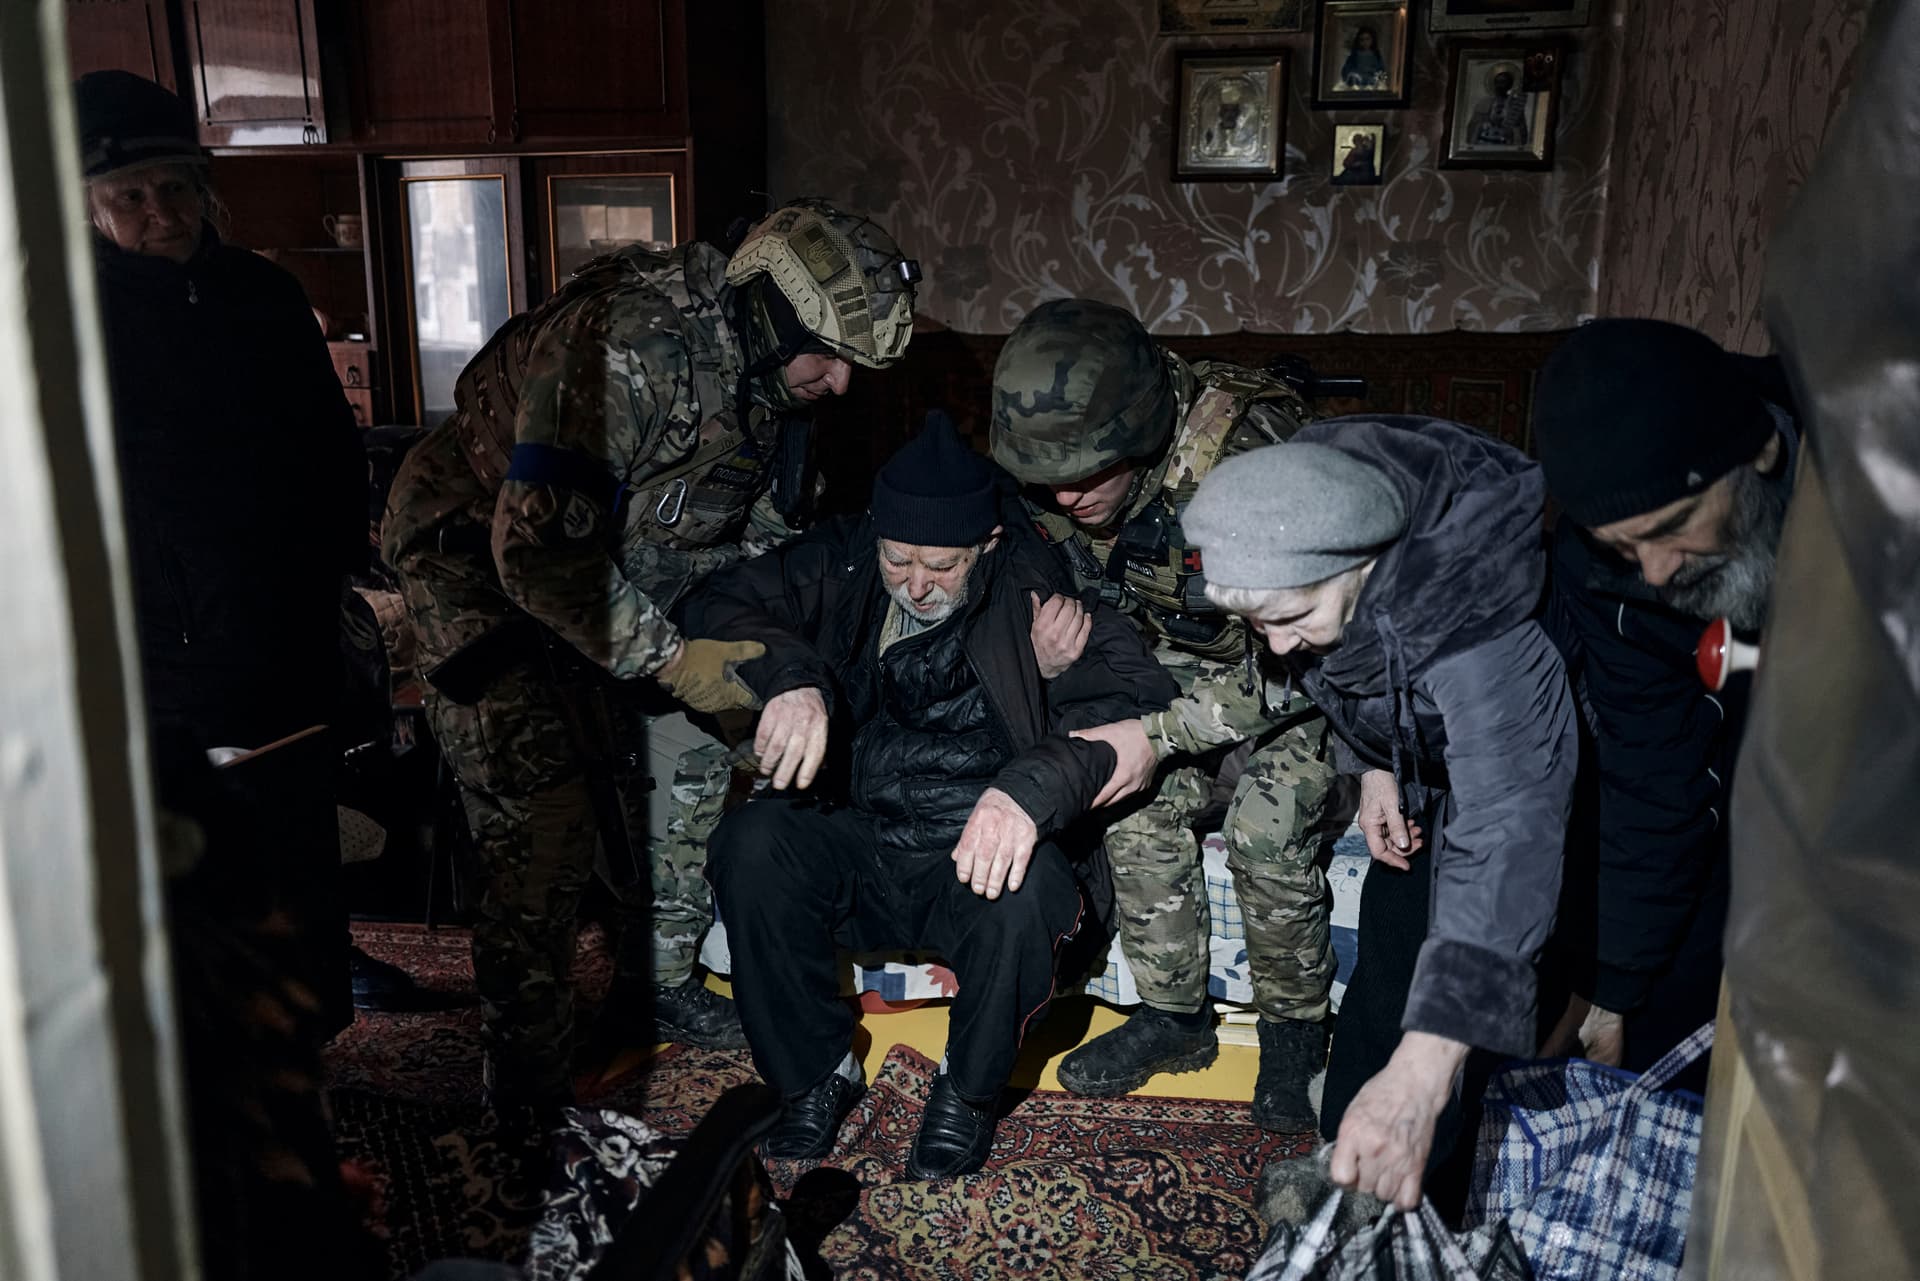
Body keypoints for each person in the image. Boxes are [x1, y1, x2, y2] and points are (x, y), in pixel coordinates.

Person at [381, 199, 919, 1107]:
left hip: (638, 572)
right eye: (828, 356)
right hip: (480, 566)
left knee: (699, 755)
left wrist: (772, 666)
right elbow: (542, 555)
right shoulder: (628, 345)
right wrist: (673, 660)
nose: (841, 383)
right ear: (773, 314)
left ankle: (657, 984)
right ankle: (526, 1078)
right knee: (543, 815)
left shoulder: (777, 385)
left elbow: (763, 548)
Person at [684, 417, 1178, 1179]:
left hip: (972, 857)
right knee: (752, 844)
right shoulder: (844, 558)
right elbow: (711, 601)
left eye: (941, 565)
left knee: (1034, 888)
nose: (916, 583)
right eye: (899, 558)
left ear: (983, 545)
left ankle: (969, 1092)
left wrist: (1028, 781)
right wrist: (790, 677)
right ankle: (817, 1073)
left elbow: (1142, 701)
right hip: (865, 832)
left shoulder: (1034, 581)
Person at [1176, 418, 1576, 1213]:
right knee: (1390, 963)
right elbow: (1360, 671)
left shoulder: (1476, 626)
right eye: (1258, 625)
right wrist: (1376, 763)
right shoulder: (1321, 497)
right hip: (1429, 765)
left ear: (1363, 566)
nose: (1280, 647)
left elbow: (1507, 829)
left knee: (1470, 1021)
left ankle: (1432, 1207)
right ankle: (1342, 1179)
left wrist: (1422, 1077)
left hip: (1538, 784)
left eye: (1294, 618)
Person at [988, 300, 1338, 1133]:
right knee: (1131, 808)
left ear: (1142, 433)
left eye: (1084, 471)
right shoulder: (1060, 478)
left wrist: (1157, 735)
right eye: (1049, 476)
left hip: (1294, 676)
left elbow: (1319, 654)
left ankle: (1297, 1033)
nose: (1064, 493)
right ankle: (1174, 1018)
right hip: (1172, 678)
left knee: (1266, 828)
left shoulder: (1251, 465)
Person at [77, 69, 366, 1034]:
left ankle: (322, 1037)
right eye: (132, 196)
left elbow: (329, 450)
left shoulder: (264, 293)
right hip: (163, 659)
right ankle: (233, 1069)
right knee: (202, 869)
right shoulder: (65, 322)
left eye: (177, 188)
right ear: (93, 207)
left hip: (283, 639)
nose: (161, 213)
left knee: (296, 845)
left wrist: (336, 573)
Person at [1532, 319, 1799, 1087]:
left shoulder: (1876, 475)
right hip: (1746, 773)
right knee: (1657, 1024)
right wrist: (1613, 992)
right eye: (1622, 545)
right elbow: (1654, 774)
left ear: (1763, 457)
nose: (1651, 573)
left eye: (1673, 528)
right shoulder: (1607, 576)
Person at [1467, 67, 1530, 148]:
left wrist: (1511, 130)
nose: (1499, 85)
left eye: (1503, 82)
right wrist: (1483, 125)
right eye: (1497, 82)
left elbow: (1521, 130)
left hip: (1505, 145)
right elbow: (1473, 127)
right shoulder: (1483, 103)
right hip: (1484, 144)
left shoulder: (1515, 104)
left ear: (1510, 85)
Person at [1341, 26, 1388, 90]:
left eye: (1367, 39)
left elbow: (1381, 71)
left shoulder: (1376, 55)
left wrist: (1376, 76)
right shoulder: (1354, 55)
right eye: (1362, 40)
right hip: (1358, 81)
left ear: (1372, 40)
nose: (1365, 42)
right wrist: (1353, 74)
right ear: (1358, 41)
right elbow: (1346, 70)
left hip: (1371, 82)